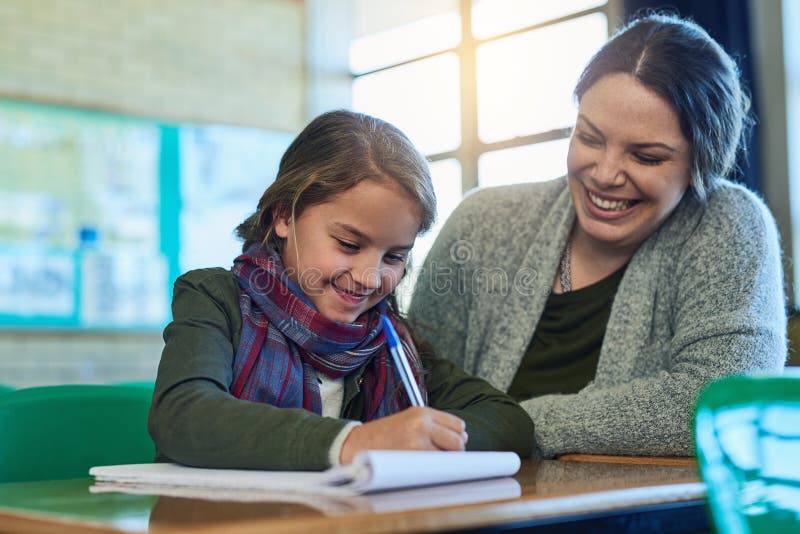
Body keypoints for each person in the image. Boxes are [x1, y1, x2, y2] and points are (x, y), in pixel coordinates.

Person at [408, 13, 787, 458]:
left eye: (646, 157)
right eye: (589, 138)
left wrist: (508, 426)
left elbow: (722, 401)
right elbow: (414, 389)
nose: (605, 175)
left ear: (702, 163)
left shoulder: (728, 222)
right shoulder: (482, 222)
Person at [148, 110, 534, 470]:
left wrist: (425, 439)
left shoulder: (386, 341)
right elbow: (183, 414)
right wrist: (356, 442)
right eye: (349, 245)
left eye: (395, 257)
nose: (370, 277)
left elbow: (508, 421)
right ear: (285, 215)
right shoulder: (216, 298)